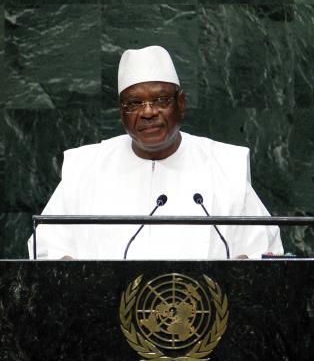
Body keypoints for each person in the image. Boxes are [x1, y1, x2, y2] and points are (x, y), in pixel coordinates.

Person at [28, 45, 283, 260]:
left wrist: (247, 266)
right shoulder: (86, 169)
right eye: (135, 103)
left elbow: (263, 249)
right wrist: (64, 264)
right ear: (121, 111)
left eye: (160, 100)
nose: (148, 112)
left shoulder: (224, 166)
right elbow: (47, 247)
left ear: (181, 103)